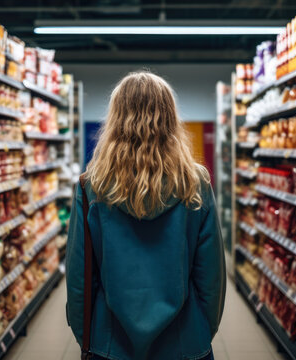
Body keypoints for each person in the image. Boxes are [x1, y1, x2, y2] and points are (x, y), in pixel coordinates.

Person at [66, 71, 226, 360]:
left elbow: (80, 278)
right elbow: (211, 276)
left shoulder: (92, 186)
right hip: (184, 340)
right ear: (170, 120)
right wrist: (201, 330)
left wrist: (87, 339)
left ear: (115, 121)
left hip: (111, 343)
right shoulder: (195, 182)